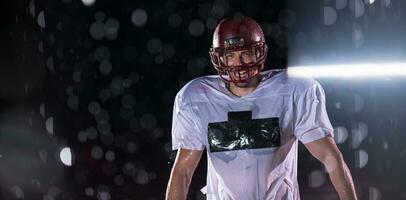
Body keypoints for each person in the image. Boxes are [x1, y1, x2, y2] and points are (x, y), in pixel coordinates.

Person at [166, 16, 357, 200]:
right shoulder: (196, 98)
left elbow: (330, 157)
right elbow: (182, 171)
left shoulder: (294, 92)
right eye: (230, 55)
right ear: (219, 58)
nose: (238, 63)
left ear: (259, 53)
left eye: (246, 53)